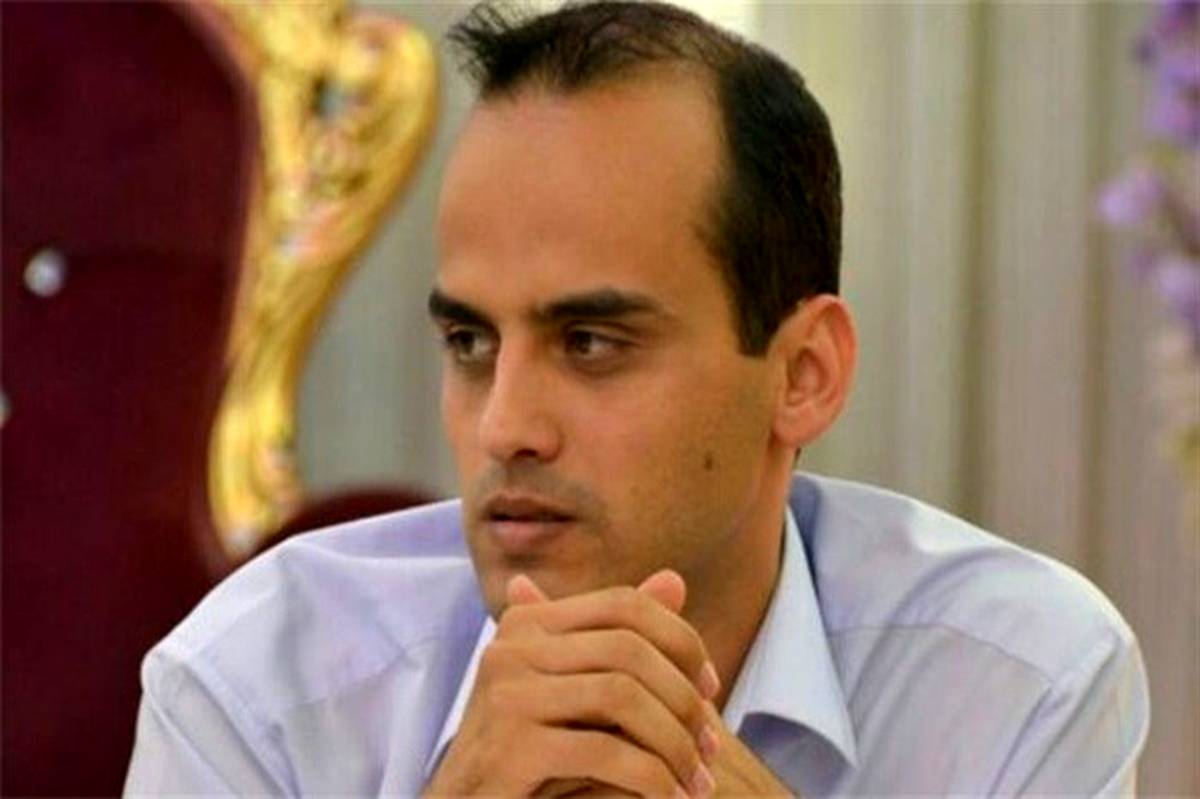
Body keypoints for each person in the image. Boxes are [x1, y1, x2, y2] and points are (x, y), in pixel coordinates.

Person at [124, 1, 1149, 795]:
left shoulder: (1019, 681)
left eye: (592, 343)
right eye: (470, 342)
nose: (505, 426)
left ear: (804, 374)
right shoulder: (255, 689)